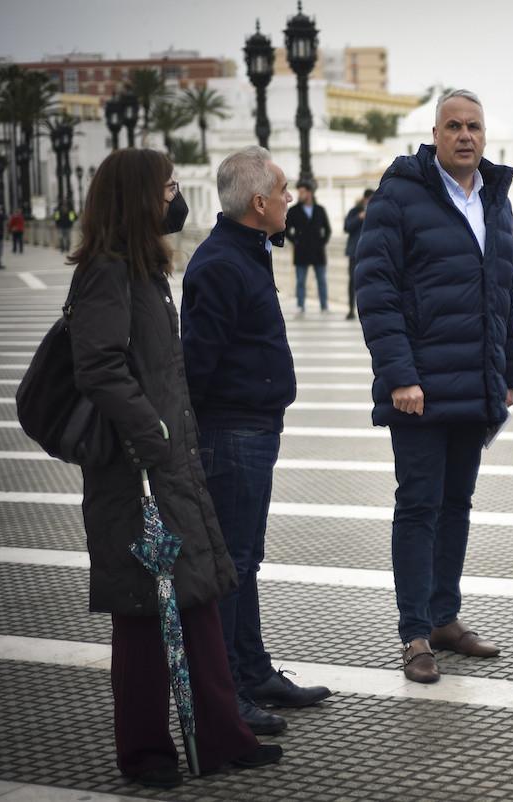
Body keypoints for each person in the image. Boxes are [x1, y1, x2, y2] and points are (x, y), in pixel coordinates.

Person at [68, 148, 281, 789]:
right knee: (141, 613)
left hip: (167, 467)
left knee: (198, 598)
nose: (176, 198)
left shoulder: (143, 269)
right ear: (139, 199)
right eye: (167, 189)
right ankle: (147, 753)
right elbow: (99, 367)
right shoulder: (107, 271)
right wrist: (152, 433)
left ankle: (220, 737)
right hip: (135, 474)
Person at [355, 89, 513, 684]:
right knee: (418, 507)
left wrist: (510, 374)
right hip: (419, 389)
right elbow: (375, 292)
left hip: (475, 385)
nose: (465, 136)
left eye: (474, 126)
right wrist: (400, 375)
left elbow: (504, 293)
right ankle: (415, 633)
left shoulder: (495, 198)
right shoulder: (400, 196)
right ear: (435, 133)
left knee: (456, 506)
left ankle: (446, 618)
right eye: (454, 126)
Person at [182, 146, 332, 735]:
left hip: (254, 427)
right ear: (260, 201)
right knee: (232, 565)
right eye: (284, 189)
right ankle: (224, 694)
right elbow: (197, 361)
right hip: (232, 431)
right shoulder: (220, 263)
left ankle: (251, 670)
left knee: (247, 561)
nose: (292, 197)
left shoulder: (247, 252)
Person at [284, 179, 331, 315]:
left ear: (309, 193)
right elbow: (286, 230)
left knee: (321, 280)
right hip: (301, 251)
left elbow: (327, 230)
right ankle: (300, 305)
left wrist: (322, 242)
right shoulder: (294, 211)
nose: (300, 194)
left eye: (302, 192)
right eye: (299, 192)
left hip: (318, 251)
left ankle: (324, 306)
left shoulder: (320, 210)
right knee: (300, 281)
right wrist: (295, 241)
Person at [343, 188, 374, 320]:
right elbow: (347, 227)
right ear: (365, 199)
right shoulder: (355, 211)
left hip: (370, 253)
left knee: (370, 282)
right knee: (353, 282)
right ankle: (351, 309)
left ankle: (368, 309)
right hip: (354, 253)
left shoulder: (376, 211)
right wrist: (359, 218)